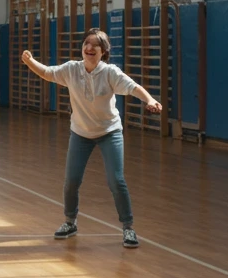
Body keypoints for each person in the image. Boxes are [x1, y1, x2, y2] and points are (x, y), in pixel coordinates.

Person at [21, 29, 161, 248]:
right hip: (81, 133)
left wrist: (150, 100)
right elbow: (48, 73)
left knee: (116, 180)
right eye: (87, 43)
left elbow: (133, 87)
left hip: (109, 132)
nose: (89, 48)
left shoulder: (110, 73)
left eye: (95, 45)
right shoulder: (71, 69)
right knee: (71, 181)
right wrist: (30, 62)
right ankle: (70, 222)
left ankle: (128, 228)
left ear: (103, 51)